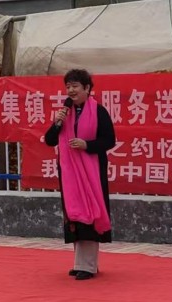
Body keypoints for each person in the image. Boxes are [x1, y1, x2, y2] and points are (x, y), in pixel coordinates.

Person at [43, 69, 117, 280]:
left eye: (75, 86)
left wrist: (87, 145)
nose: (71, 90)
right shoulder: (65, 113)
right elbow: (49, 140)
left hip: (92, 172)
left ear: (87, 88)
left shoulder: (99, 111)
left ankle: (88, 266)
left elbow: (109, 140)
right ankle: (80, 263)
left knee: (90, 213)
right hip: (70, 173)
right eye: (68, 86)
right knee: (74, 214)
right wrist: (57, 123)